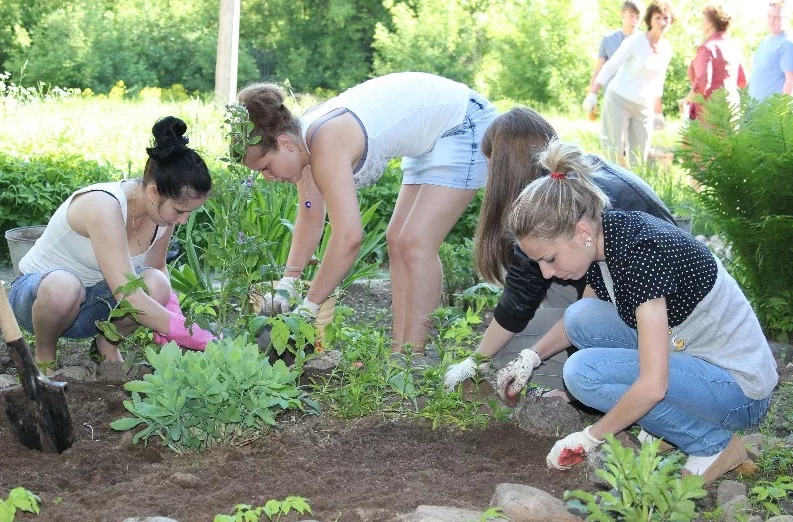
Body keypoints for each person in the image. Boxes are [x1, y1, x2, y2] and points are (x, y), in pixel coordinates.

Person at [497, 138, 778, 484]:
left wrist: (590, 437)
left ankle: (710, 444)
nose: (546, 273)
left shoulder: (641, 255)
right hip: (693, 357)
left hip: (738, 390)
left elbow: (653, 386)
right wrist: (531, 357)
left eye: (549, 258)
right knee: (580, 317)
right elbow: (578, 325)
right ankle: (664, 428)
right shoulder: (607, 239)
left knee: (583, 373)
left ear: (581, 232)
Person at [236, 72, 498, 353]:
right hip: (431, 135)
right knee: (397, 239)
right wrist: (288, 284)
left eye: (265, 167)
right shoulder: (303, 146)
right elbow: (311, 216)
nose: (267, 177)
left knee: (416, 242)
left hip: (463, 122)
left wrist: (308, 309)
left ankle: (414, 362)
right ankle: (401, 353)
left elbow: (349, 237)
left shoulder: (324, 143)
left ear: (285, 144)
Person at [443, 107, 677, 394]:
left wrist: (485, 360)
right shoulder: (566, 180)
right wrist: (482, 360)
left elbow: (522, 302)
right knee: (546, 285)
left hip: (660, 313)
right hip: (630, 289)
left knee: (509, 351)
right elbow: (526, 286)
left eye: (491, 168)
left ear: (503, 168)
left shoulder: (551, 206)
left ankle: (594, 380)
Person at [9, 116, 216, 372]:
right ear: (153, 192)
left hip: (92, 308)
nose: (183, 220)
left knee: (156, 283)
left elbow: (156, 269)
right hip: (38, 302)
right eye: (180, 211)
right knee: (65, 285)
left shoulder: (163, 215)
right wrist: (190, 333)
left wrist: (172, 310)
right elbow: (128, 295)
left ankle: (106, 346)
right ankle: (44, 356)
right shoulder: (103, 206)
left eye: (189, 213)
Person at [582, 1, 674, 166]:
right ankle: (611, 187)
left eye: (666, 18)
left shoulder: (666, 48)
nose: (662, 22)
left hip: (643, 105)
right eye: (658, 18)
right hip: (619, 98)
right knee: (613, 150)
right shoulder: (637, 40)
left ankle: (633, 189)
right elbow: (611, 66)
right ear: (650, 20)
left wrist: (658, 113)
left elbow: (658, 81)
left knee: (639, 155)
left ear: (671, 21)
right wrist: (593, 93)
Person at [682, 5, 747, 121]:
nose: (701, 23)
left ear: (711, 23)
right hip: (732, 109)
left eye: (703, 19)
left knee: (706, 139)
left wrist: (686, 100)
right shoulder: (733, 46)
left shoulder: (708, 48)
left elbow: (702, 84)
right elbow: (743, 81)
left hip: (710, 112)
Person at [585, 1, 643, 119]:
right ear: (622, 14)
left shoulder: (643, 40)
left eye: (638, 17)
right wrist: (592, 94)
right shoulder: (608, 39)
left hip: (637, 96)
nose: (635, 21)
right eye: (631, 16)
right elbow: (599, 68)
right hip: (613, 95)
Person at [748, 2, 793, 100]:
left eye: (776, 17)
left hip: (770, 111)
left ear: (785, 18)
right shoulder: (765, 41)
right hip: (754, 108)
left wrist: (781, 111)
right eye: (769, 16)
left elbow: (790, 81)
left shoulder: (787, 43)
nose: (771, 21)